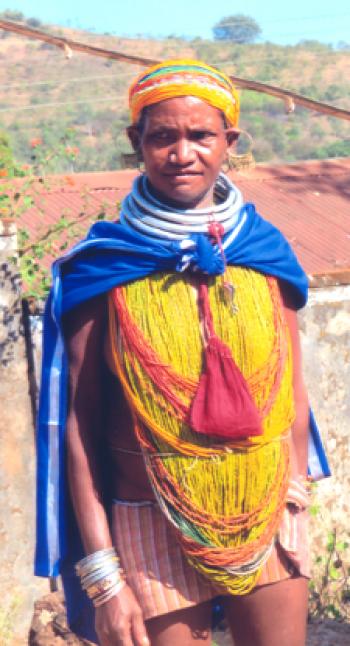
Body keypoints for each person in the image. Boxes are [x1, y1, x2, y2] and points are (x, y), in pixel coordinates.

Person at [35, 59, 329, 646]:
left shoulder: (262, 253)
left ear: (230, 143)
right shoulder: (105, 268)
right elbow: (81, 427)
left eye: (201, 135)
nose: (182, 153)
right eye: (162, 136)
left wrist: (294, 497)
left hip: (266, 511)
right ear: (136, 143)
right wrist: (105, 579)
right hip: (149, 521)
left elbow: (291, 392)